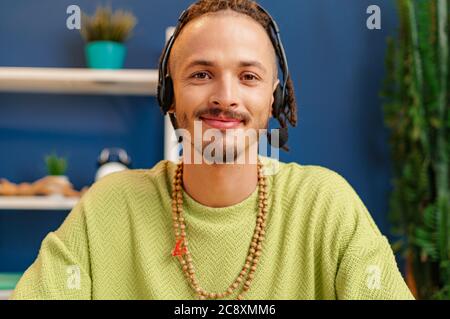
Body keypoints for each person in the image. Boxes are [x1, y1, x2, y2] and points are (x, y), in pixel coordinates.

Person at [11, 0, 414, 300]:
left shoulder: (326, 206)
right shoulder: (108, 208)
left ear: (274, 99)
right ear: (170, 95)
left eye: (248, 76)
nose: (225, 96)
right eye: (202, 74)